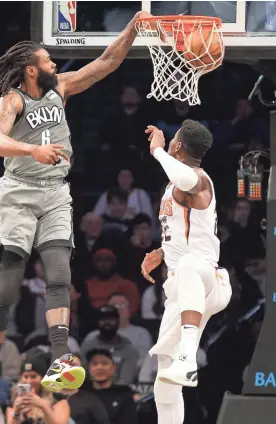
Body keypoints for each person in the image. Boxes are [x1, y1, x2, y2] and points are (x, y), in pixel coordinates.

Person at [0, 9, 151, 421]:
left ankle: (60, 358)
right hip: (18, 194)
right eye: (48, 61)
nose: (55, 65)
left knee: (60, 276)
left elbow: (107, 62)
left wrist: (133, 27)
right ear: (31, 70)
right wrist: (32, 150)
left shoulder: (62, 88)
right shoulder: (12, 100)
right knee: (8, 290)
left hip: (55, 192)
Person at [140, 121, 232, 424]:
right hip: (182, 289)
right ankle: (181, 363)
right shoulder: (177, 185)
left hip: (208, 279)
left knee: (191, 265)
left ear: (177, 146)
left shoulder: (199, 179)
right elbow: (185, 230)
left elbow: (185, 177)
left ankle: (188, 357)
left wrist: (156, 151)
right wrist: (162, 251)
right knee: (164, 378)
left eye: (172, 140)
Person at [81, 305, 139, 385]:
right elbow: (83, 374)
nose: (107, 323)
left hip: (119, 393)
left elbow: (126, 379)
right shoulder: (88, 346)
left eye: (111, 319)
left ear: (118, 322)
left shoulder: (128, 348)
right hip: (91, 392)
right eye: (103, 320)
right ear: (98, 322)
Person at [6, 357, 71, 424]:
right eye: (25, 377)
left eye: (33, 376)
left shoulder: (57, 400)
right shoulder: (14, 402)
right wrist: (16, 412)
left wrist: (43, 405)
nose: (29, 381)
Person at [84, 348, 138, 424]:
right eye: (95, 364)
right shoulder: (81, 392)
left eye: (104, 363)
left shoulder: (124, 394)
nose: (99, 367)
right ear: (89, 369)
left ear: (113, 368)